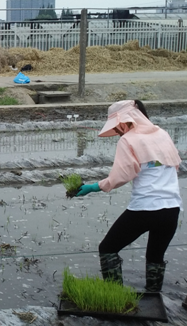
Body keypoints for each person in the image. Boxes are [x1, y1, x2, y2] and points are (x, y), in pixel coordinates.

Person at [75, 100, 182, 293]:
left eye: (117, 126)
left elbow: (121, 176)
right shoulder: (162, 134)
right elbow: (172, 166)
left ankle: (114, 294)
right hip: (172, 209)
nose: (117, 131)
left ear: (124, 121)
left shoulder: (129, 140)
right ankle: (154, 297)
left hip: (145, 209)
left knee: (108, 248)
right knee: (155, 256)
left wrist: (94, 187)